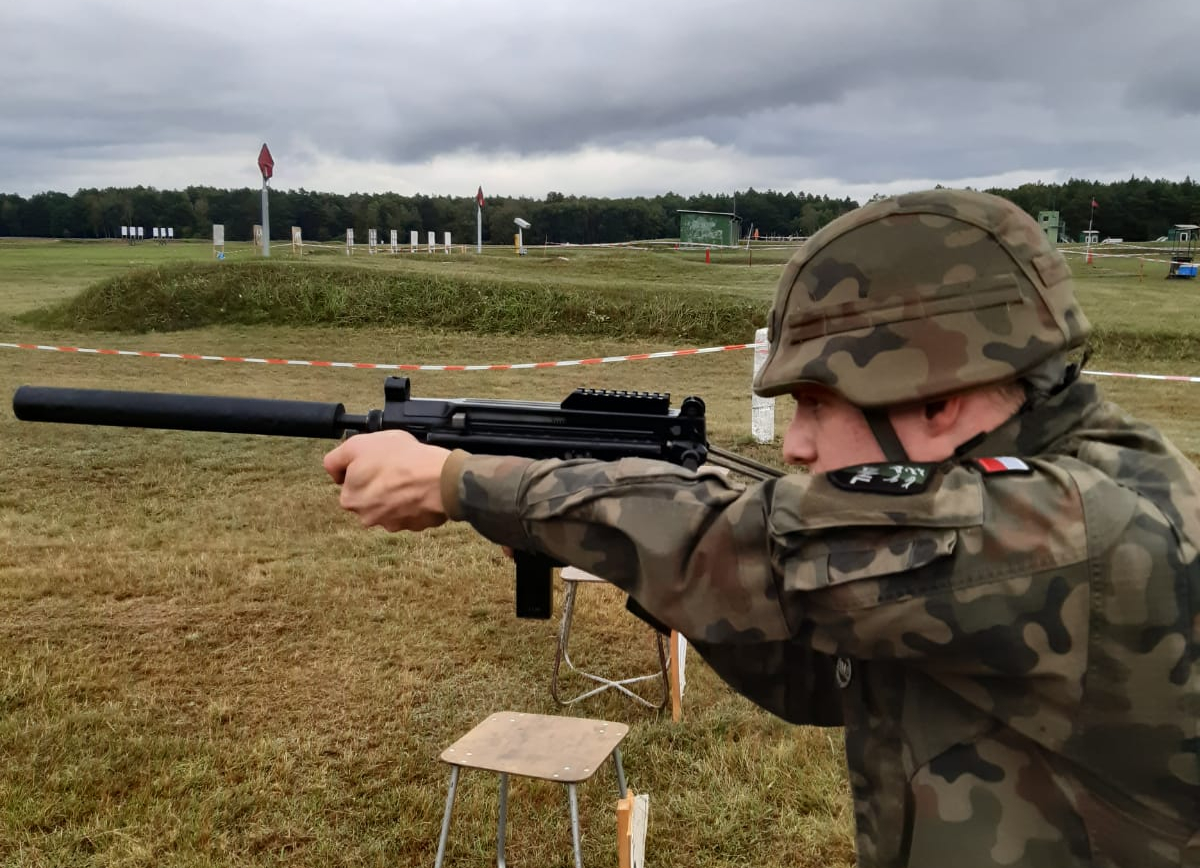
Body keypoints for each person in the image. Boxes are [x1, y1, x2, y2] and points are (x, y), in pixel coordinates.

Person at [323, 189, 1199, 868]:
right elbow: (822, 672)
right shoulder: (1040, 479)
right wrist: (617, 540)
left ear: (941, 396)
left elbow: (771, 556)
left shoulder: (1090, 524)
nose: (801, 442)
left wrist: (461, 479)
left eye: (819, 401)